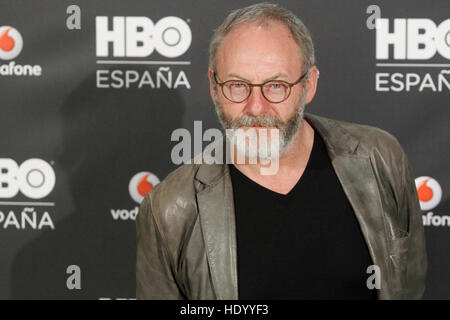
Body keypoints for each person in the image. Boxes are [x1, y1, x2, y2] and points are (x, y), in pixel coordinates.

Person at [136, 2, 427, 299]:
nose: (256, 107)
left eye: (276, 86)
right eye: (237, 85)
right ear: (214, 87)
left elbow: (410, 287)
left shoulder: (381, 159)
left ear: (309, 85)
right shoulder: (170, 209)